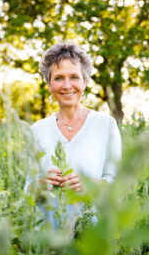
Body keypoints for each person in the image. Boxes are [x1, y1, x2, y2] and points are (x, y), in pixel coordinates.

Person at [24, 43, 122, 229]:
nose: (67, 85)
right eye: (59, 78)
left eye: (74, 77)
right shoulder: (36, 130)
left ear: (85, 81)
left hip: (92, 239)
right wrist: (38, 186)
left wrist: (95, 184)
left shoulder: (106, 125)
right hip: (48, 241)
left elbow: (118, 184)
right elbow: (28, 188)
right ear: (50, 85)